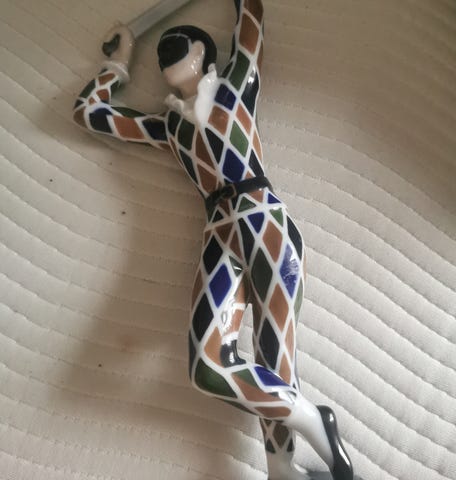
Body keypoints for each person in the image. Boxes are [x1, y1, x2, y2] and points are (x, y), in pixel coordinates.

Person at [73, 1, 353, 479]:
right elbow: (88, 114)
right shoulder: (169, 126)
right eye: (162, 52)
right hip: (219, 233)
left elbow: (251, 20)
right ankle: (313, 419)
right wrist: (120, 58)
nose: (165, 55)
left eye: (177, 46)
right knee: (208, 365)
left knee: (275, 355)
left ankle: (280, 467)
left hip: (264, 218)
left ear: (203, 53)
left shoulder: (237, 87)